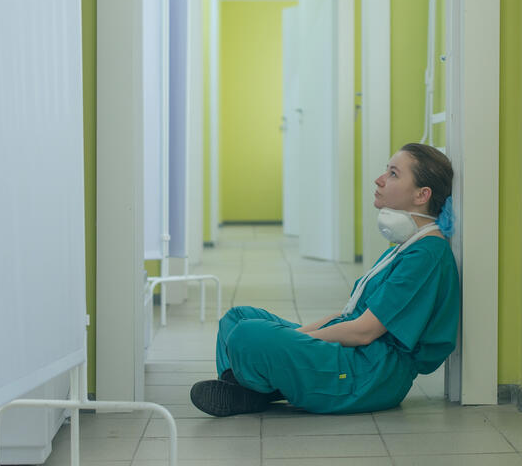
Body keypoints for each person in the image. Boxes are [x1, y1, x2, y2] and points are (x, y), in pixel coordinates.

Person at [190, 143, 461, 416]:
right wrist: (292, 340)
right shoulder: (407, 246)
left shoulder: (426, 256)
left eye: (393, 174)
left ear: (421, 195)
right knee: (236, 319)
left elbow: (364, 331)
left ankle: (252, 389)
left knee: (248, 335)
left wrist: (297, 343)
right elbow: (348, 315)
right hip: (356, 358)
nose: (379, 180)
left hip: (369, 375)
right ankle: (256, 391)